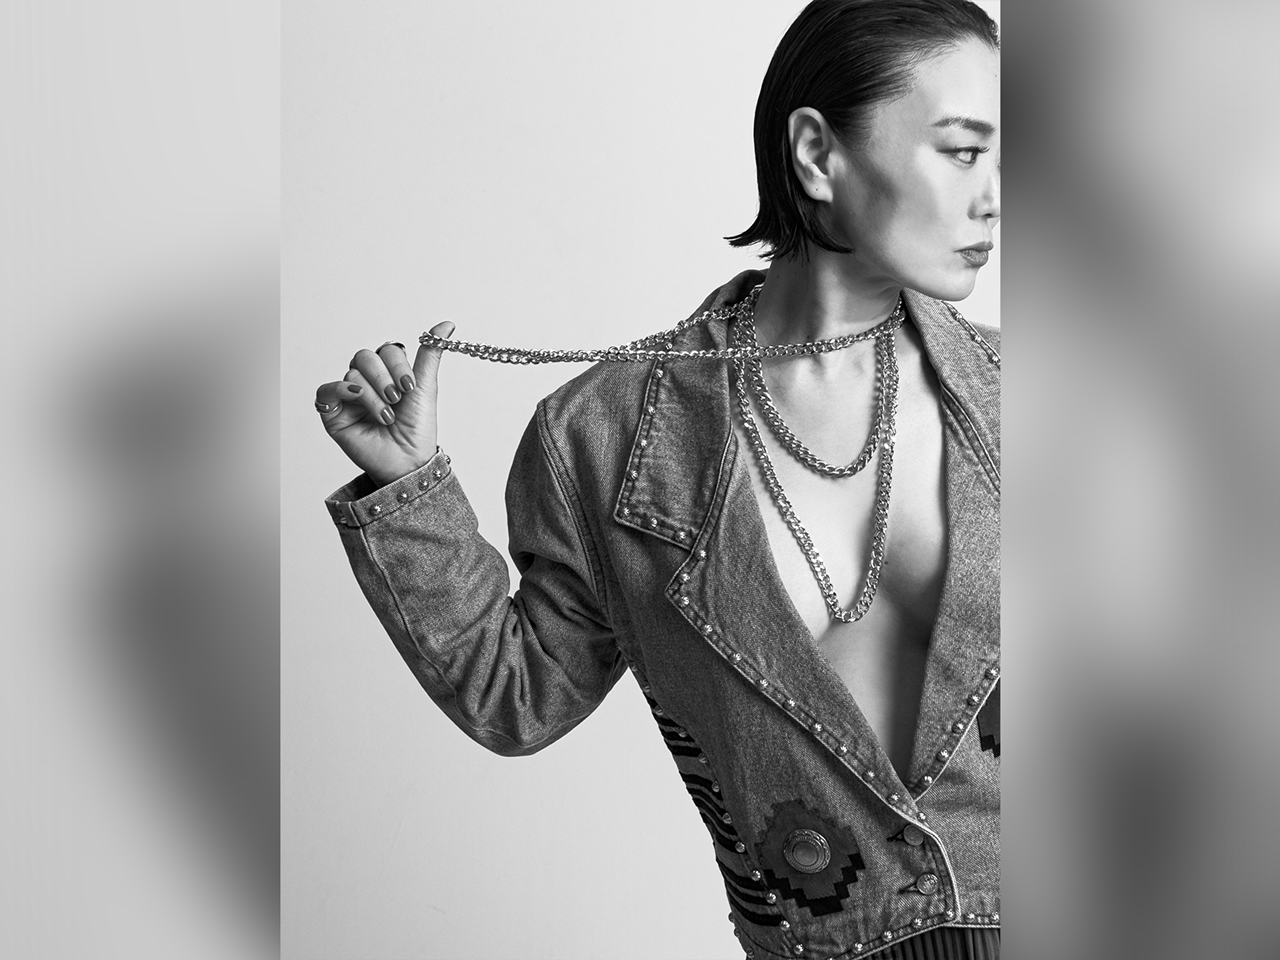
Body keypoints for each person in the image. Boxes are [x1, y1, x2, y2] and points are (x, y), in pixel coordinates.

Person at [315, 1, 1000, 956]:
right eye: (964, 152)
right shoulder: (608, 435)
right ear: (816, 154)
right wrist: (410, 488)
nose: (994, 197)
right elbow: (517, 696)